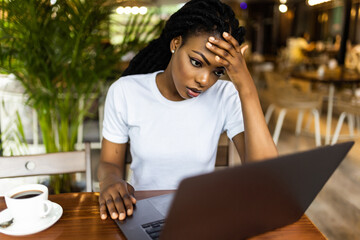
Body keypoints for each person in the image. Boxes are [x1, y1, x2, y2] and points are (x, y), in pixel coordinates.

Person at [97, 0, 278, 221]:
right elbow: (109, 163)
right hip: (141, 213)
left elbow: (266, 178)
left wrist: (245, 86)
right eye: (196, 62)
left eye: (218, 71)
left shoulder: (225, 96)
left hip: (200, 216)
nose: (204, 80)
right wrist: (110, 181)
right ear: (176, 43)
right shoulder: (126, 92)